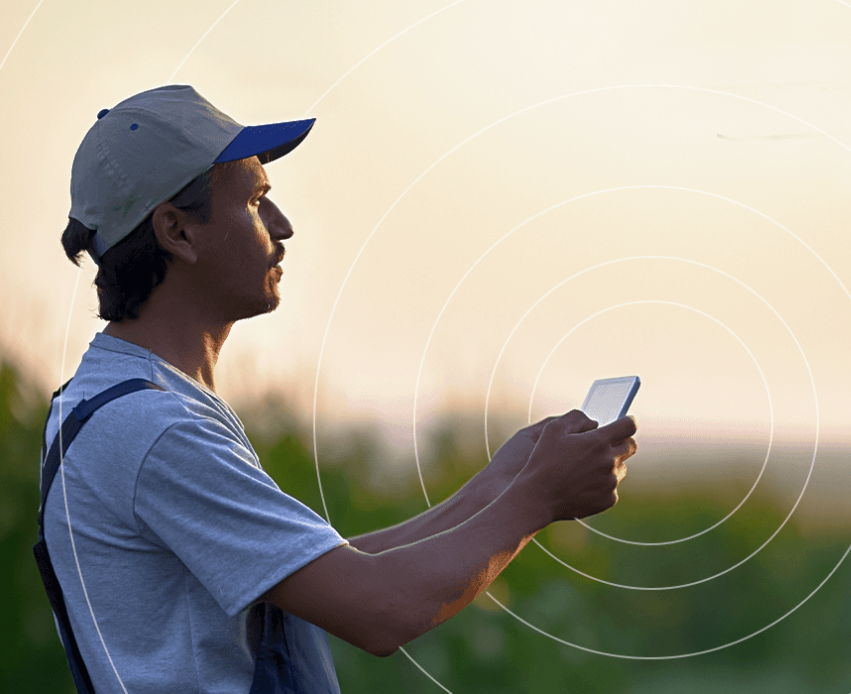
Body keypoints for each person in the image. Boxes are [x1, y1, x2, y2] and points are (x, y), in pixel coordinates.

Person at [42, 84, 638, 693]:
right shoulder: (152, 428)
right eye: (255, 201)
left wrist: (502, 483)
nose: (283, 226)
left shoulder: (122, 402)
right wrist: (540, 498)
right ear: (177, 231)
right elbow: (379, 608)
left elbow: (324, 573)